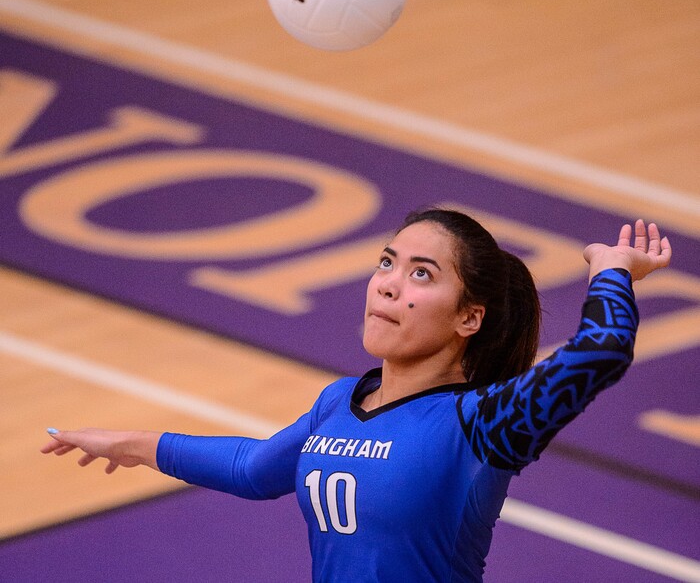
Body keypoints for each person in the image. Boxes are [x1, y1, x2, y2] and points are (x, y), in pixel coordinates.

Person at [42, 208, 671, 582]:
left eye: (421, 274)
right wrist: (132, 443)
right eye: (387, 262)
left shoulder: (485, 421)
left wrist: (610, 268)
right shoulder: (339, 401)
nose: (389, 286)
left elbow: (603, 349)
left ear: (468, 318)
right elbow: (255, 468)